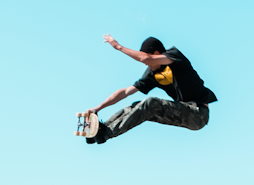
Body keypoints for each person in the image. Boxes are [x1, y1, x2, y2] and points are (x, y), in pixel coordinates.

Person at [84, 35, 217, 144]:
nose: (146, 64)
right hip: (182, 112)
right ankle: (100, 131)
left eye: (147, 61)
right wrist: (97, 108)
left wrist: (119, 47)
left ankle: (105, 134)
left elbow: (146, 58)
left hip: (198, 114)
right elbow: (125, 92)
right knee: (137, 107)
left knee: (151, 103)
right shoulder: (151, 75)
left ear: (157, 53)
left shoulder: (174, 56)